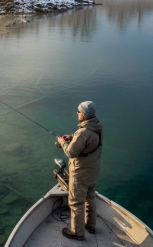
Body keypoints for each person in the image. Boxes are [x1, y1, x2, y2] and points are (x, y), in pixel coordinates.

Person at [56, 100, 103, 241]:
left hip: (81, 173)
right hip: (93, 170)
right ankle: (91, 226)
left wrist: (62, 142)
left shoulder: (83, 133)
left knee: (76, 203)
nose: (77, 113)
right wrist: (72, 137)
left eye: (78, 111)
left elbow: (71, 153)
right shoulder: (98, 127)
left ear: (83, 114)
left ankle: (77, 233)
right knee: (90, 198)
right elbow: (88, 141)